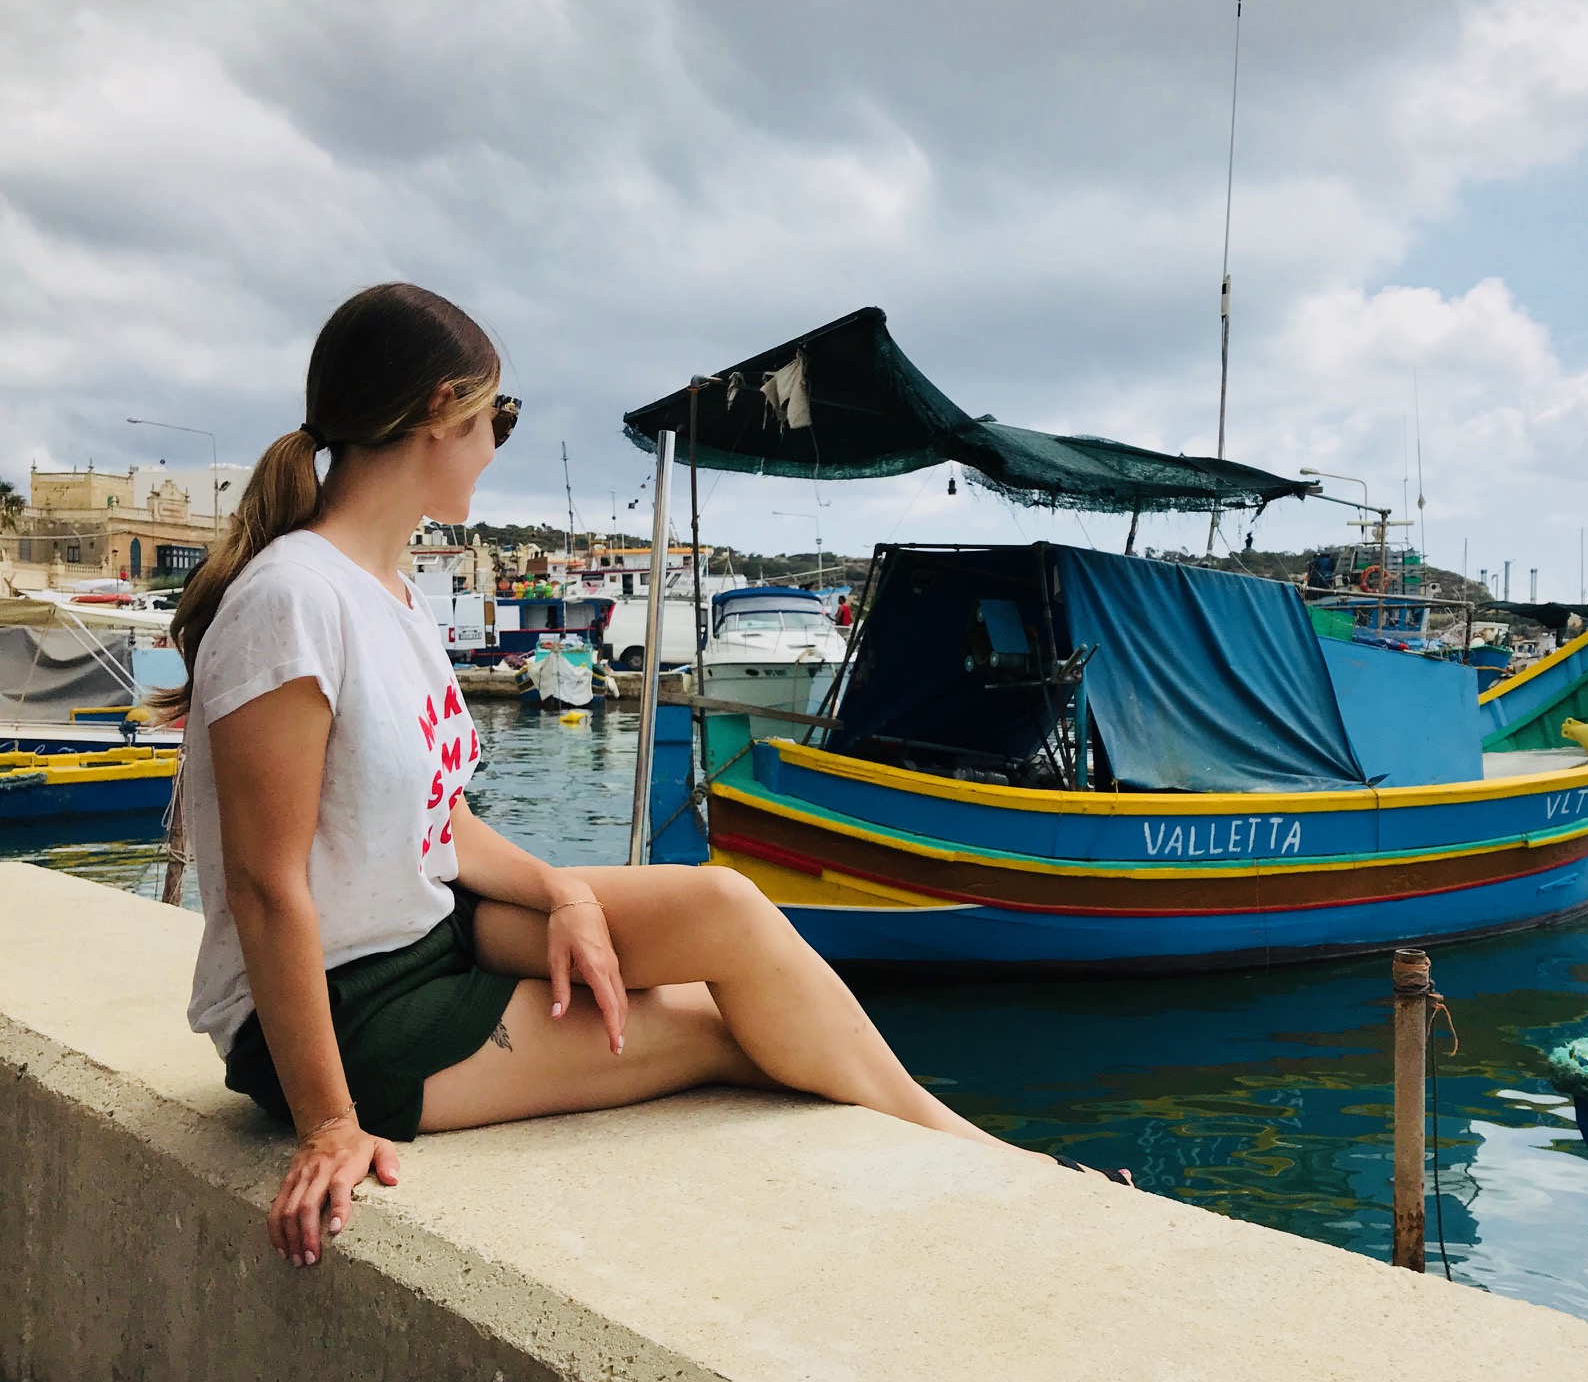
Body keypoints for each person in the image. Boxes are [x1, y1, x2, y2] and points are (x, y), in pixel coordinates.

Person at [169, 283, 1127, 1273]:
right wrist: (330, 1124)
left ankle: (982, 1151)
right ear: (437, 415)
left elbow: (430, 822)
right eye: (498, 416)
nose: (499, 442)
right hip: (346, 1012)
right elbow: (264, 884)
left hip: (432, 933)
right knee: (724, 1034)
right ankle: (1004, 1172)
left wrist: (562, 891)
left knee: (726, 906)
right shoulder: (290, 601)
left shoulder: (396, 598)